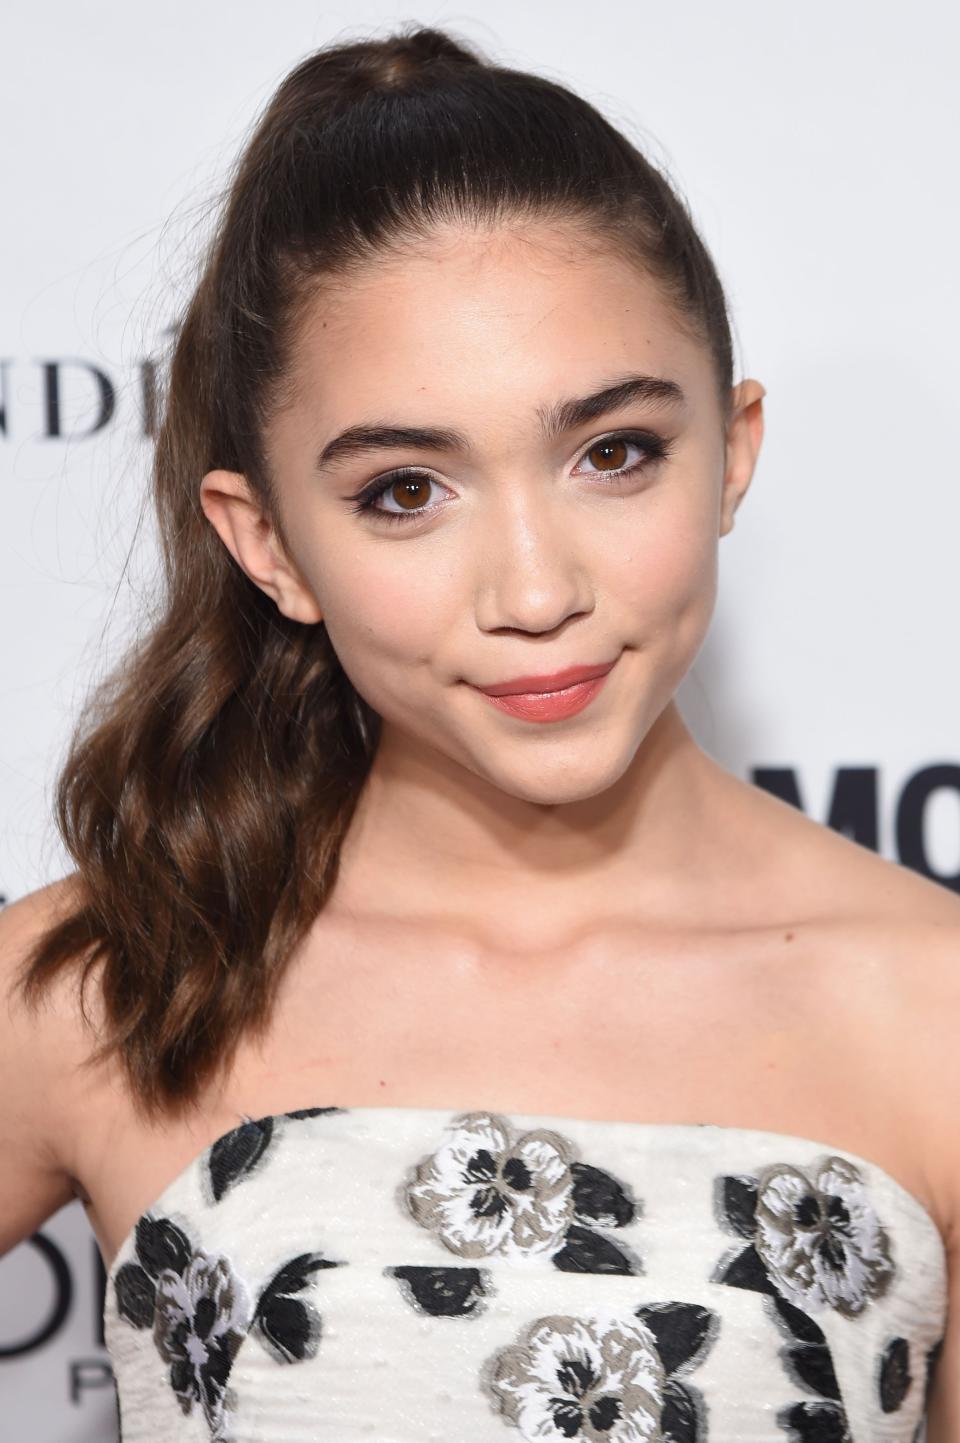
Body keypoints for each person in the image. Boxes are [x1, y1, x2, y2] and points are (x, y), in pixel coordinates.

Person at [1, 23, 957, 1443]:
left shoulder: (934, 1013)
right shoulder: (113, 977)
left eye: (613, 453)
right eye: (404, 490)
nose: (535, 592)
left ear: (735, 450)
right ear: (266, 546)